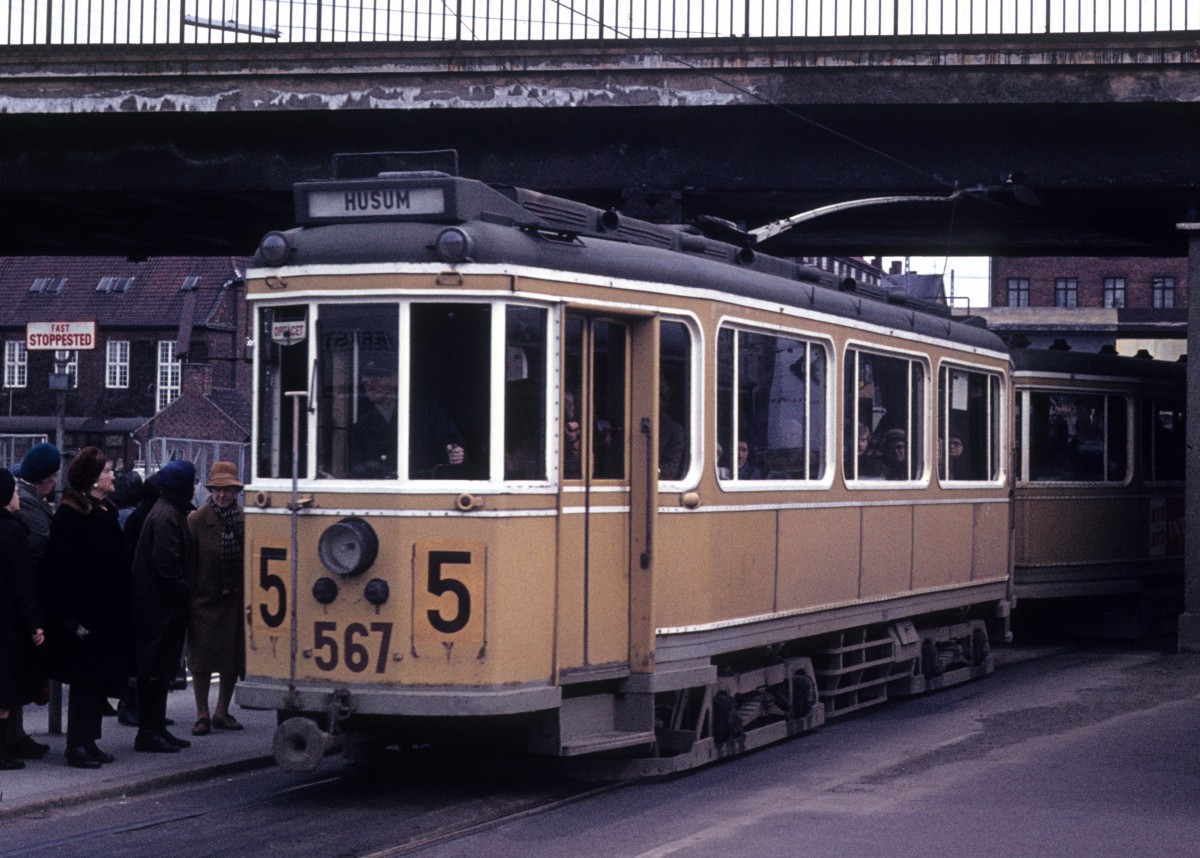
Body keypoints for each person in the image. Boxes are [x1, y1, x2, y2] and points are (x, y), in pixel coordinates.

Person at [42, 448, 130, 769]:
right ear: (93, 481)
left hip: (105, 615)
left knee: (97, 680)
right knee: (84, 681)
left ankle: (89, 741)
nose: (112, 475)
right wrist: (71, 620)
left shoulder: (102, 510)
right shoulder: (71, 515)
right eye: (107, 471)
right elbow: (61, 571)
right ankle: (76, 745)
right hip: (83, 619)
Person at [131, 459, 196, 753]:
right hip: (160, 609)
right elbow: (167, 565)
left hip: (159, 607)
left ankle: (155, 728)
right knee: (155, 669)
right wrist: (186, 594)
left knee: (161, 669)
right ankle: (149, 731)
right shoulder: (168, 516)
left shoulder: (166, 511)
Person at [5, 442, 59, 761]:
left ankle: (17, 734)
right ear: (44, 478)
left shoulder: (32, 500)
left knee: (23, 671)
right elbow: (42, 542)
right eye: (53, 475)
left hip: (28, 599)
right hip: (22, 602)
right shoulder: (26, 504)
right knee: (16, 671)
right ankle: (11, 737)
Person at [187, 462, 245, 736]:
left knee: (230, 660)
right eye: (218, 490)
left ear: (235, 491)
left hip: (234, 600)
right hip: (205, 599)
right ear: (210, 490)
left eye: (228, 490)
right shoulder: (197, 520)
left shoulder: (244, 520)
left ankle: (222, 711)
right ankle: (202, 714)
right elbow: (190, 561)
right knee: (200, 660)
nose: (222, 495)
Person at [0, 469, 46, 771]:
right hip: (8, 622)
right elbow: (23, 582)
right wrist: (35, 625)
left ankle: (11, 741)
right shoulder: (11, 530)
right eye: (14, 492)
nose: (18, 497)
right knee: (5, 689)